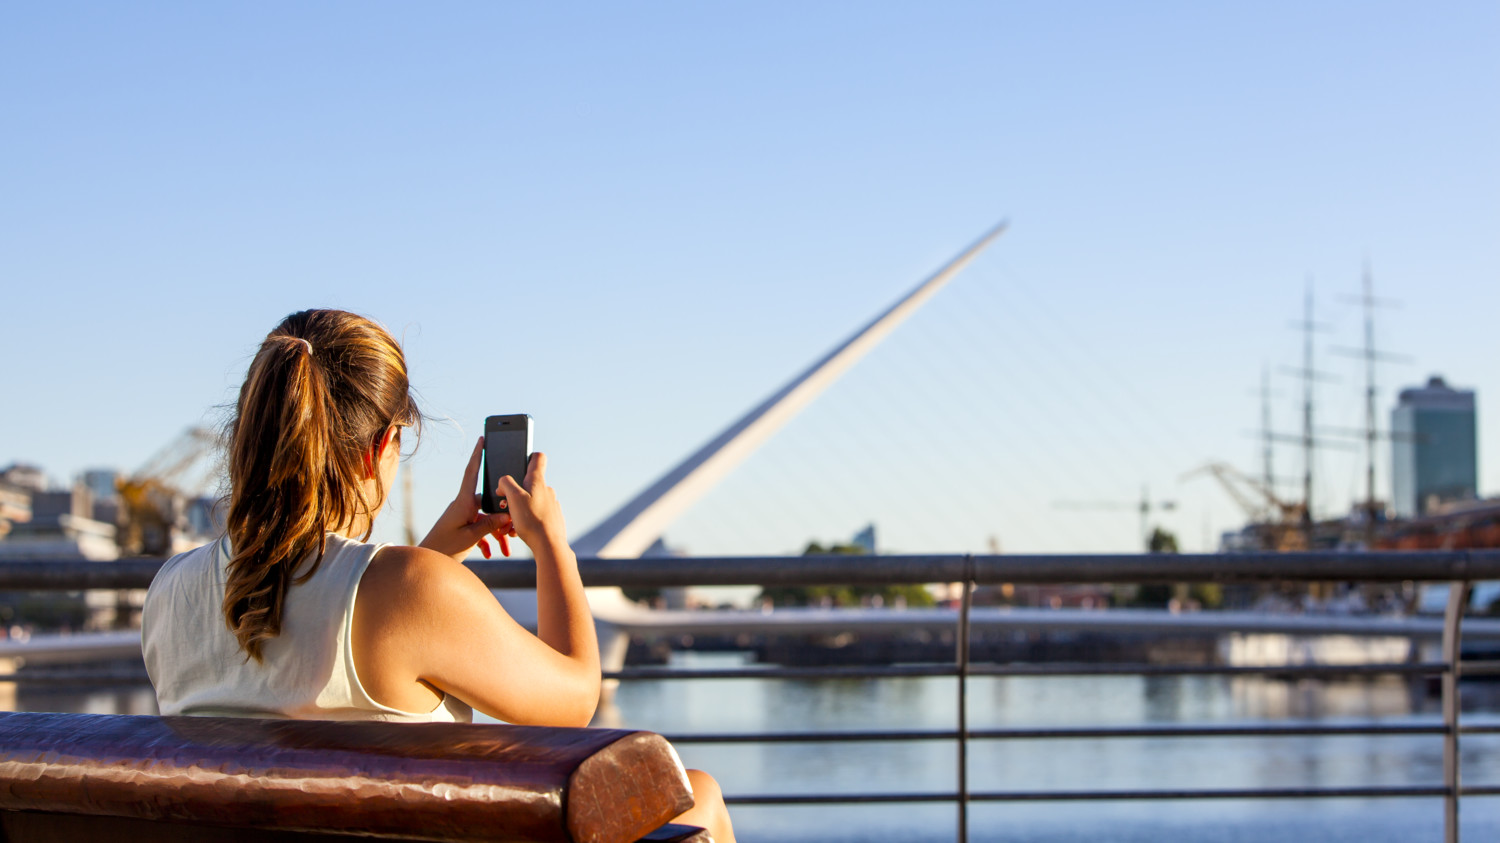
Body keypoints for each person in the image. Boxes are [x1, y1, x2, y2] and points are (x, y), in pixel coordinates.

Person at [142, 309, 734, 842]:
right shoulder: (409, 590)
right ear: (381, 449)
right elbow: (575, 700)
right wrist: (553, 546)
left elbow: (335, 639)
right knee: (698, 797)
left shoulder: (169, 590)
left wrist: (434, 554)